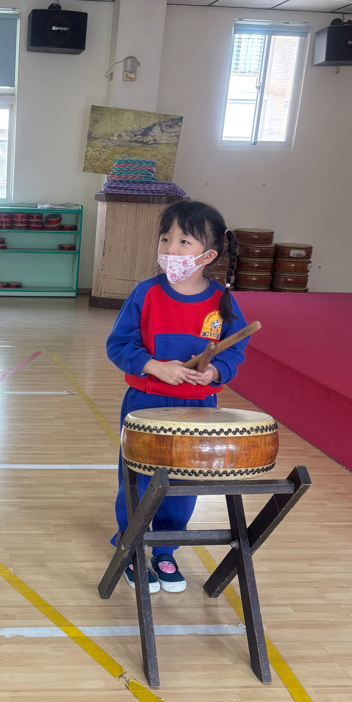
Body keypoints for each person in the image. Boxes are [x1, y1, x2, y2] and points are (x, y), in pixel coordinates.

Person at [106, 199, 249, 594]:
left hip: (198, 408)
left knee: (184, 482)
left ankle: (166, 549)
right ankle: (131, 544)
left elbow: (234, 351)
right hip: (146, 403)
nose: (171, 248)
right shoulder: (146, 293)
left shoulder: (222, 300)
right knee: (137, 479)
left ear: (209, 255)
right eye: (165, 238)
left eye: (184, 241)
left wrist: (215, 371)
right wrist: (154, 366)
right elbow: (118, 344)